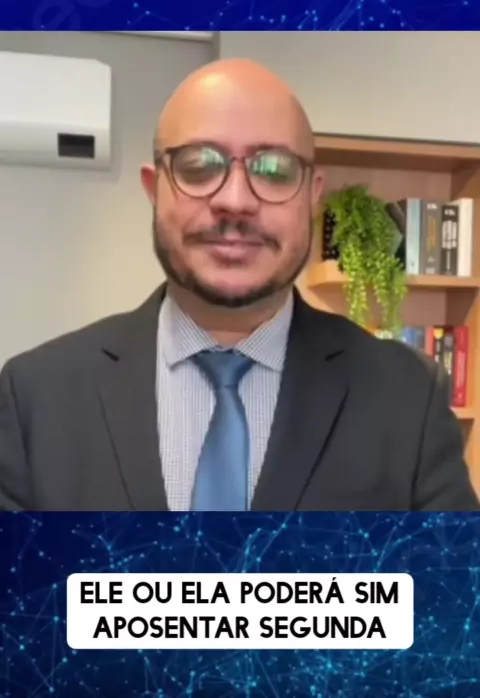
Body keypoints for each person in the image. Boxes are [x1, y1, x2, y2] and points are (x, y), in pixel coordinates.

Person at [0, 58, 477, 511]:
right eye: (199, 166)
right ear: (154, 189)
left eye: (274, 170)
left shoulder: (407, 398)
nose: (235, 201)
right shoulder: (36, 398)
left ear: (312, 197)